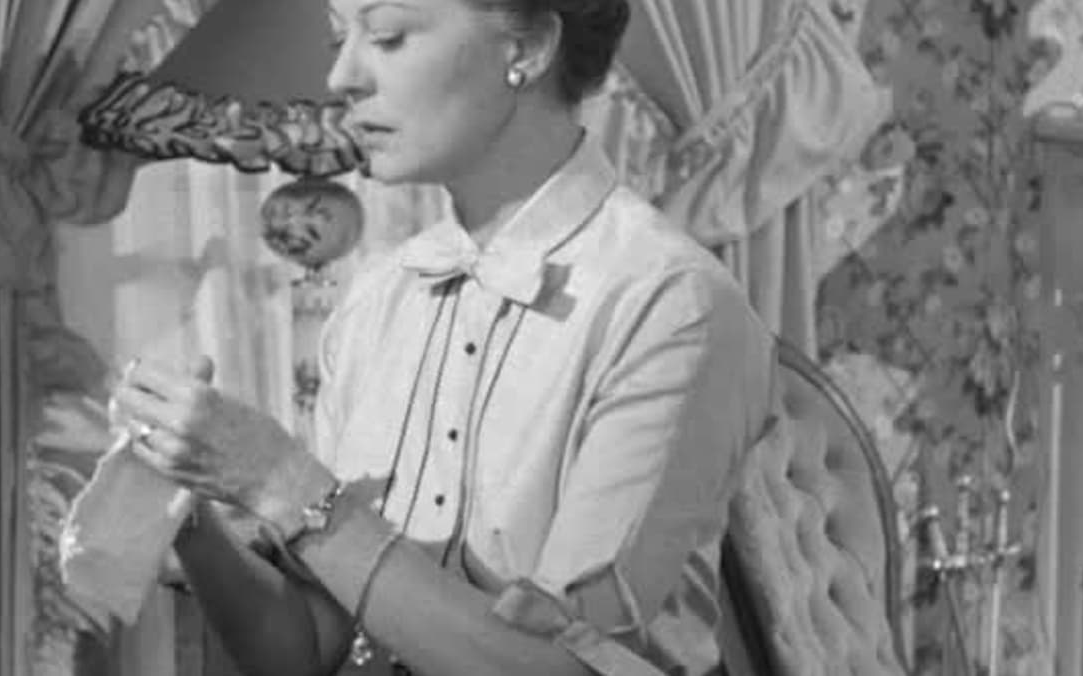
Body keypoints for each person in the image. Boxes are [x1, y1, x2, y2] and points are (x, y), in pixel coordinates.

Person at [110, 0, 777, 674]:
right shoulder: (376, 302)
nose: (341, 77)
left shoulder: (670, 306)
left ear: (526, 48)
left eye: (388, 37)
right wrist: (191, 514)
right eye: (339, 40)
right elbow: (310, 650)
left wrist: (284, 483)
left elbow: (571, 668)